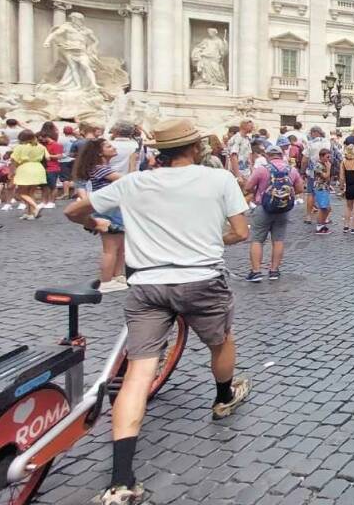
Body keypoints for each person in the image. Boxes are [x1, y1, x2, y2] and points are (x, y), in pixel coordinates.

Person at [65, 118, 252, 505]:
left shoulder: (135, 181)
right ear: (197, 148)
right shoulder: (218, 181)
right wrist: (207, 238)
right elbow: (240, 232)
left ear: (160, 152)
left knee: (138, 371)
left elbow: (73, 210)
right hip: (201, 279)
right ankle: (223, 396)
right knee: (221, 341)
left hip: (147, 284)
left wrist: (94, 222)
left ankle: (120, 480)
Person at [73, 138, 128, 292]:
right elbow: (126, 181)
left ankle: (118, 275)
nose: (113, 148)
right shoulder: (100, 169)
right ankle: (106, 280)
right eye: (109, 146)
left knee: (120, 247)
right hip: (109, 210)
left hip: (113, 209)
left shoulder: (100, 168)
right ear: (99, 152)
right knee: (111, 248)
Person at [243, 144, 303, 281]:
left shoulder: (261, 170)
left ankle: (256, 271)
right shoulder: (292, 170)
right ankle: (274, 270)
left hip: (262, 208)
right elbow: (300, 189)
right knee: (278, 239)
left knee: (257, 239)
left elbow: (248, 188)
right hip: (283, 208)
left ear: (268, 156)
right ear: (281, 155)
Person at [10, 130, 47, 220]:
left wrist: (12, 172)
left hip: (25, 168)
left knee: (20, 193)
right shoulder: (40, 146)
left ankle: (35, 207)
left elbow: (14, 160)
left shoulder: (20, 147)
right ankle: (29, 213)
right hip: (38, 167)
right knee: (30, 193)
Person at [227, 119, 254, 184]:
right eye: (251, 125)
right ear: (244, 125)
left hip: (246, 173)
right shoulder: (237, 138)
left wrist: (252, 170)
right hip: (238, 174)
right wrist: (238, 175)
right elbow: (233, 156)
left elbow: (249, 156)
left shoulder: (247, 139)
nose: (253, 127)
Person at [313, 148, 333, 233]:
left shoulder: (323, 164)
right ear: (321, 156)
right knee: (323, 208)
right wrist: (329, 168)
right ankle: (319, 226)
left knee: (327, 208)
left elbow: (327, 178)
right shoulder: (318, 165)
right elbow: (325, 176)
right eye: (327, 157)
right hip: (320, 188)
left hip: (325, 187)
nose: (329, 159)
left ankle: (322, 224)